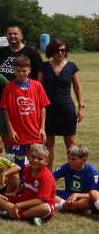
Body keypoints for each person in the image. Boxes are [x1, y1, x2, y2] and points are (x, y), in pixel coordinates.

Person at [39, 38, 84, 168]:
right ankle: (48, 174)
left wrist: (81, 107)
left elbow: (78, 88)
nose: (60, 53)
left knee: (70, 143)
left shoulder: (72, 67)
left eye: (63, 50)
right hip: (48, 110)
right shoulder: (44, 67)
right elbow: (38, 88)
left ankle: (75, 171)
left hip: (66, 109)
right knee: (48, 143)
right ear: (51, 52)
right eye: (57, 50)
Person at [0, 55, 50, 168]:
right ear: (14, 70)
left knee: (36, 162)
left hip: (35, 133)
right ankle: (20, 179)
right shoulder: (9, 87)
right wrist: (11, 130)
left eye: (24, 71)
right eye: (18, 71)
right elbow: (6, 110)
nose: (21, 73)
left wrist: (42, 128)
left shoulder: (37, 85)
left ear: (29, 70)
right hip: (18, 134)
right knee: (17, 165)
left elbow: (43, 107)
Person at [0, 144, 57, 226]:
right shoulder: (27, 169)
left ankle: (13, 214)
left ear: (46, 161)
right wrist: (15, 192)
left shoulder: (46, 176)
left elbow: (40, 201)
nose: (35, 160)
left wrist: (18, 205)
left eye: (40, 159)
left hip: (40, 204)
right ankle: (28, 215)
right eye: (33, 157)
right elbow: (24, 185)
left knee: (45, 208)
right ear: (28, 156)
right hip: (25, 200)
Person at [52, 144, 99, 214]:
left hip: (82, 198)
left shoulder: (92, 172)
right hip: (68, 195)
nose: (69, 161)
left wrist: (77, 194)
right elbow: (51, 178)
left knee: (86, 202)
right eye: (68, 158)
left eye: (73, 159)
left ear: (84, 160)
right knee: (49, 193)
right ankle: (72, 207)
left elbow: (95, 195)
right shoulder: (66, 167)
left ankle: (59, 206)